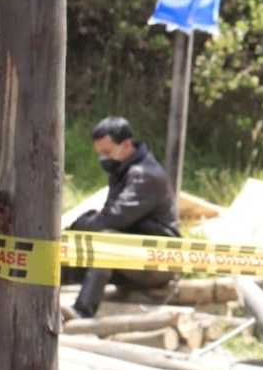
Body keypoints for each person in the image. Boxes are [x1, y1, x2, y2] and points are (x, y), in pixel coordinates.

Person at [63, 116, 180, 319]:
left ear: (126, 145)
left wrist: (78, 227)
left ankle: (83, 311)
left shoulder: (145, 175)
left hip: (157, 263)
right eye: (99, 154)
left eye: (106, 153)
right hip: (135, 255)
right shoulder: (122, 170)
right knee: (78, 241)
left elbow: (112, 220)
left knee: (105, 241)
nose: (102, 159)